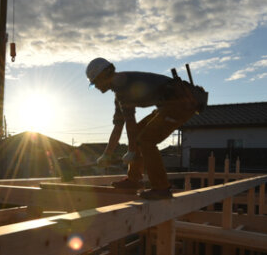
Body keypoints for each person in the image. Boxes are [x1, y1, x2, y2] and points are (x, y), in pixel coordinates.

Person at [87, 57, 206, 200]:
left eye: (96, 83)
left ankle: (161, 188)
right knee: (140, 135)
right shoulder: (119, 91)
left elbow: (130, 123)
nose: (97, 87)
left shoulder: (123, 87)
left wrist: (132, 150)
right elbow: (118, 126)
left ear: (104, 75)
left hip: (180, 105)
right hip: (168, 106)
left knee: (146, 140)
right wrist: (107, 154)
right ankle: (134, 180)